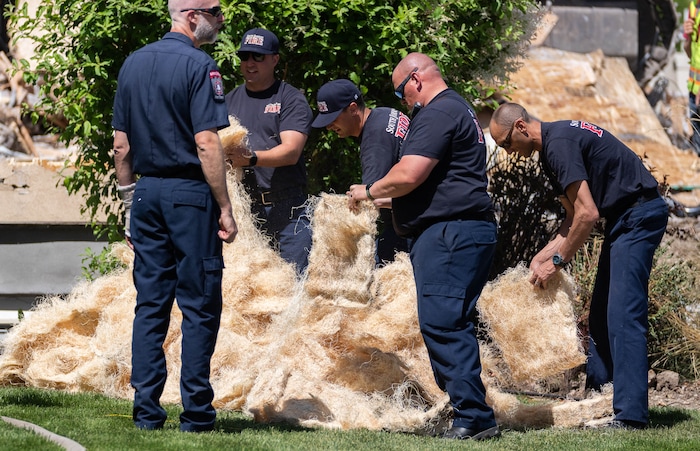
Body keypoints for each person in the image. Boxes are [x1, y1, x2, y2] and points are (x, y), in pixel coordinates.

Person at [347, 53, 500, 441]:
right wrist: (386, 197)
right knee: (452, 322)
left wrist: (368, 191)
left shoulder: (437, 113)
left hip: (450, 235)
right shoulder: (461, 108)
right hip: (465, 231)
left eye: (402, 92)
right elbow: (430, 182)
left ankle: (474, 417)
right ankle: (469, 409)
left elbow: (410, 173)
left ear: (416, 80)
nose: (404, 102)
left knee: (443, 322)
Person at [489, 103, 668, 429]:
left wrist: (557, 262)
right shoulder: (549, 151)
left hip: (640, 214)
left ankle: (630, 416)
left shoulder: (559, 145)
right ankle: (602, 399)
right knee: (600, 313)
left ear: (521, 127)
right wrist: (542, 256)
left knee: (623, 315)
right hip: (624, 219)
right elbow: (572, 219)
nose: (509, 152)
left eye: (507, 144)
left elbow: (588, 214)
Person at [111, 0, 237, 432]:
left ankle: (146, 413)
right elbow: (206, 141)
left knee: (151, 305)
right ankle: (197, 414)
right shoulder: (201, 65)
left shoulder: (132, 64)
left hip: (146, 193)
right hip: (189, 194)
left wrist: (131, 203)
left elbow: (121, 146)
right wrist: (225, 206)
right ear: (191, 15)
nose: (220, 20)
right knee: (200, 304)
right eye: (215, 11)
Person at [224, 28, 313, 273]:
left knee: (291, 287)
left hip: (287, 210)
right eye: (245, 57)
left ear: (275, 59)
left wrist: (249, 159)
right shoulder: (228, 101)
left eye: (258, 57)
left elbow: (291, 151)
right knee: (249, 291)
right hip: (244, 212)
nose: (250, 63)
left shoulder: (290, 98)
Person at [311, 79, 409, 265]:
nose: (329, 126)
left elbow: (372, 200)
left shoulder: (374, 140)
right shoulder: (385, 113)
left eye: (333, 118)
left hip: (408, 230)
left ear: (353, 108)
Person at [684, 2, 700, 157]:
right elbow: (689, 52)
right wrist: (688, 37)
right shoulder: (694, 7)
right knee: (697, 142)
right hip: (694, 89)